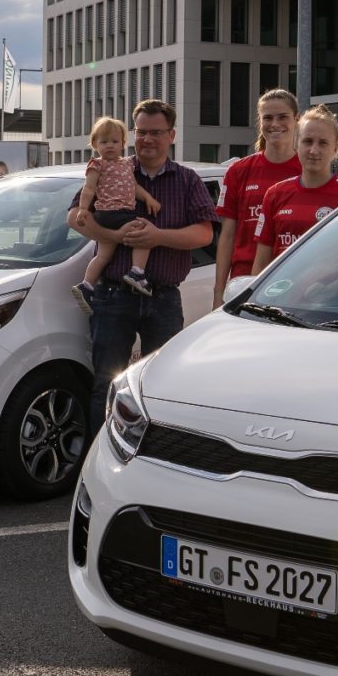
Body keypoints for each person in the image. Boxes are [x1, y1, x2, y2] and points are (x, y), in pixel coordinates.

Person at [69, 98, 217, 430]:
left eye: (156, 132)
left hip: (163, 298)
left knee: (159, 388)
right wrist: (116, 235)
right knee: (105, 387)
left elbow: (205, 233)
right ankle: (97, 464)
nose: (147, 139)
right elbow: (75, 217)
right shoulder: (111, 166)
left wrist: (157, 237)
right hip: (112, 297)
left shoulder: (188, 180)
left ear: (172, 135)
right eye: (141, 132)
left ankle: (152, 463)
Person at [251, 106, 338, 287]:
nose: (313, 150)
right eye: (308, 141)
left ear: (336, 148)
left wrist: (324, 294)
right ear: (296, 144)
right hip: (278, 303)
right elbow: (261, 262)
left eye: (323, 143)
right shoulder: (275, 194)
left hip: (327, 307)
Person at [212, 88, 301, 307]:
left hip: (295, 282)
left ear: (296, 120)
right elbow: (227, 236)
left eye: (283, 117)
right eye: (267, 118)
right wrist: (218, 292)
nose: (275, 123)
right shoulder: (238, 171)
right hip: (243, 282)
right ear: (260, 122)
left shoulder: (307, 170)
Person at [71, 116, 164, 308]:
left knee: (104, 255)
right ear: (94, 144)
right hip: (112, 212)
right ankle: (137, 272)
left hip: (112, 217)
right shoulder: (97, 164)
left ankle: (86, 286)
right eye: (103, 142)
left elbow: (134, 186)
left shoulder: (128, 163)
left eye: (114, 141)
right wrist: (82, 209)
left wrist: (148, 198)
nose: (109, 146)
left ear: (123, 143)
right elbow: (89, 189)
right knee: (142, 231)